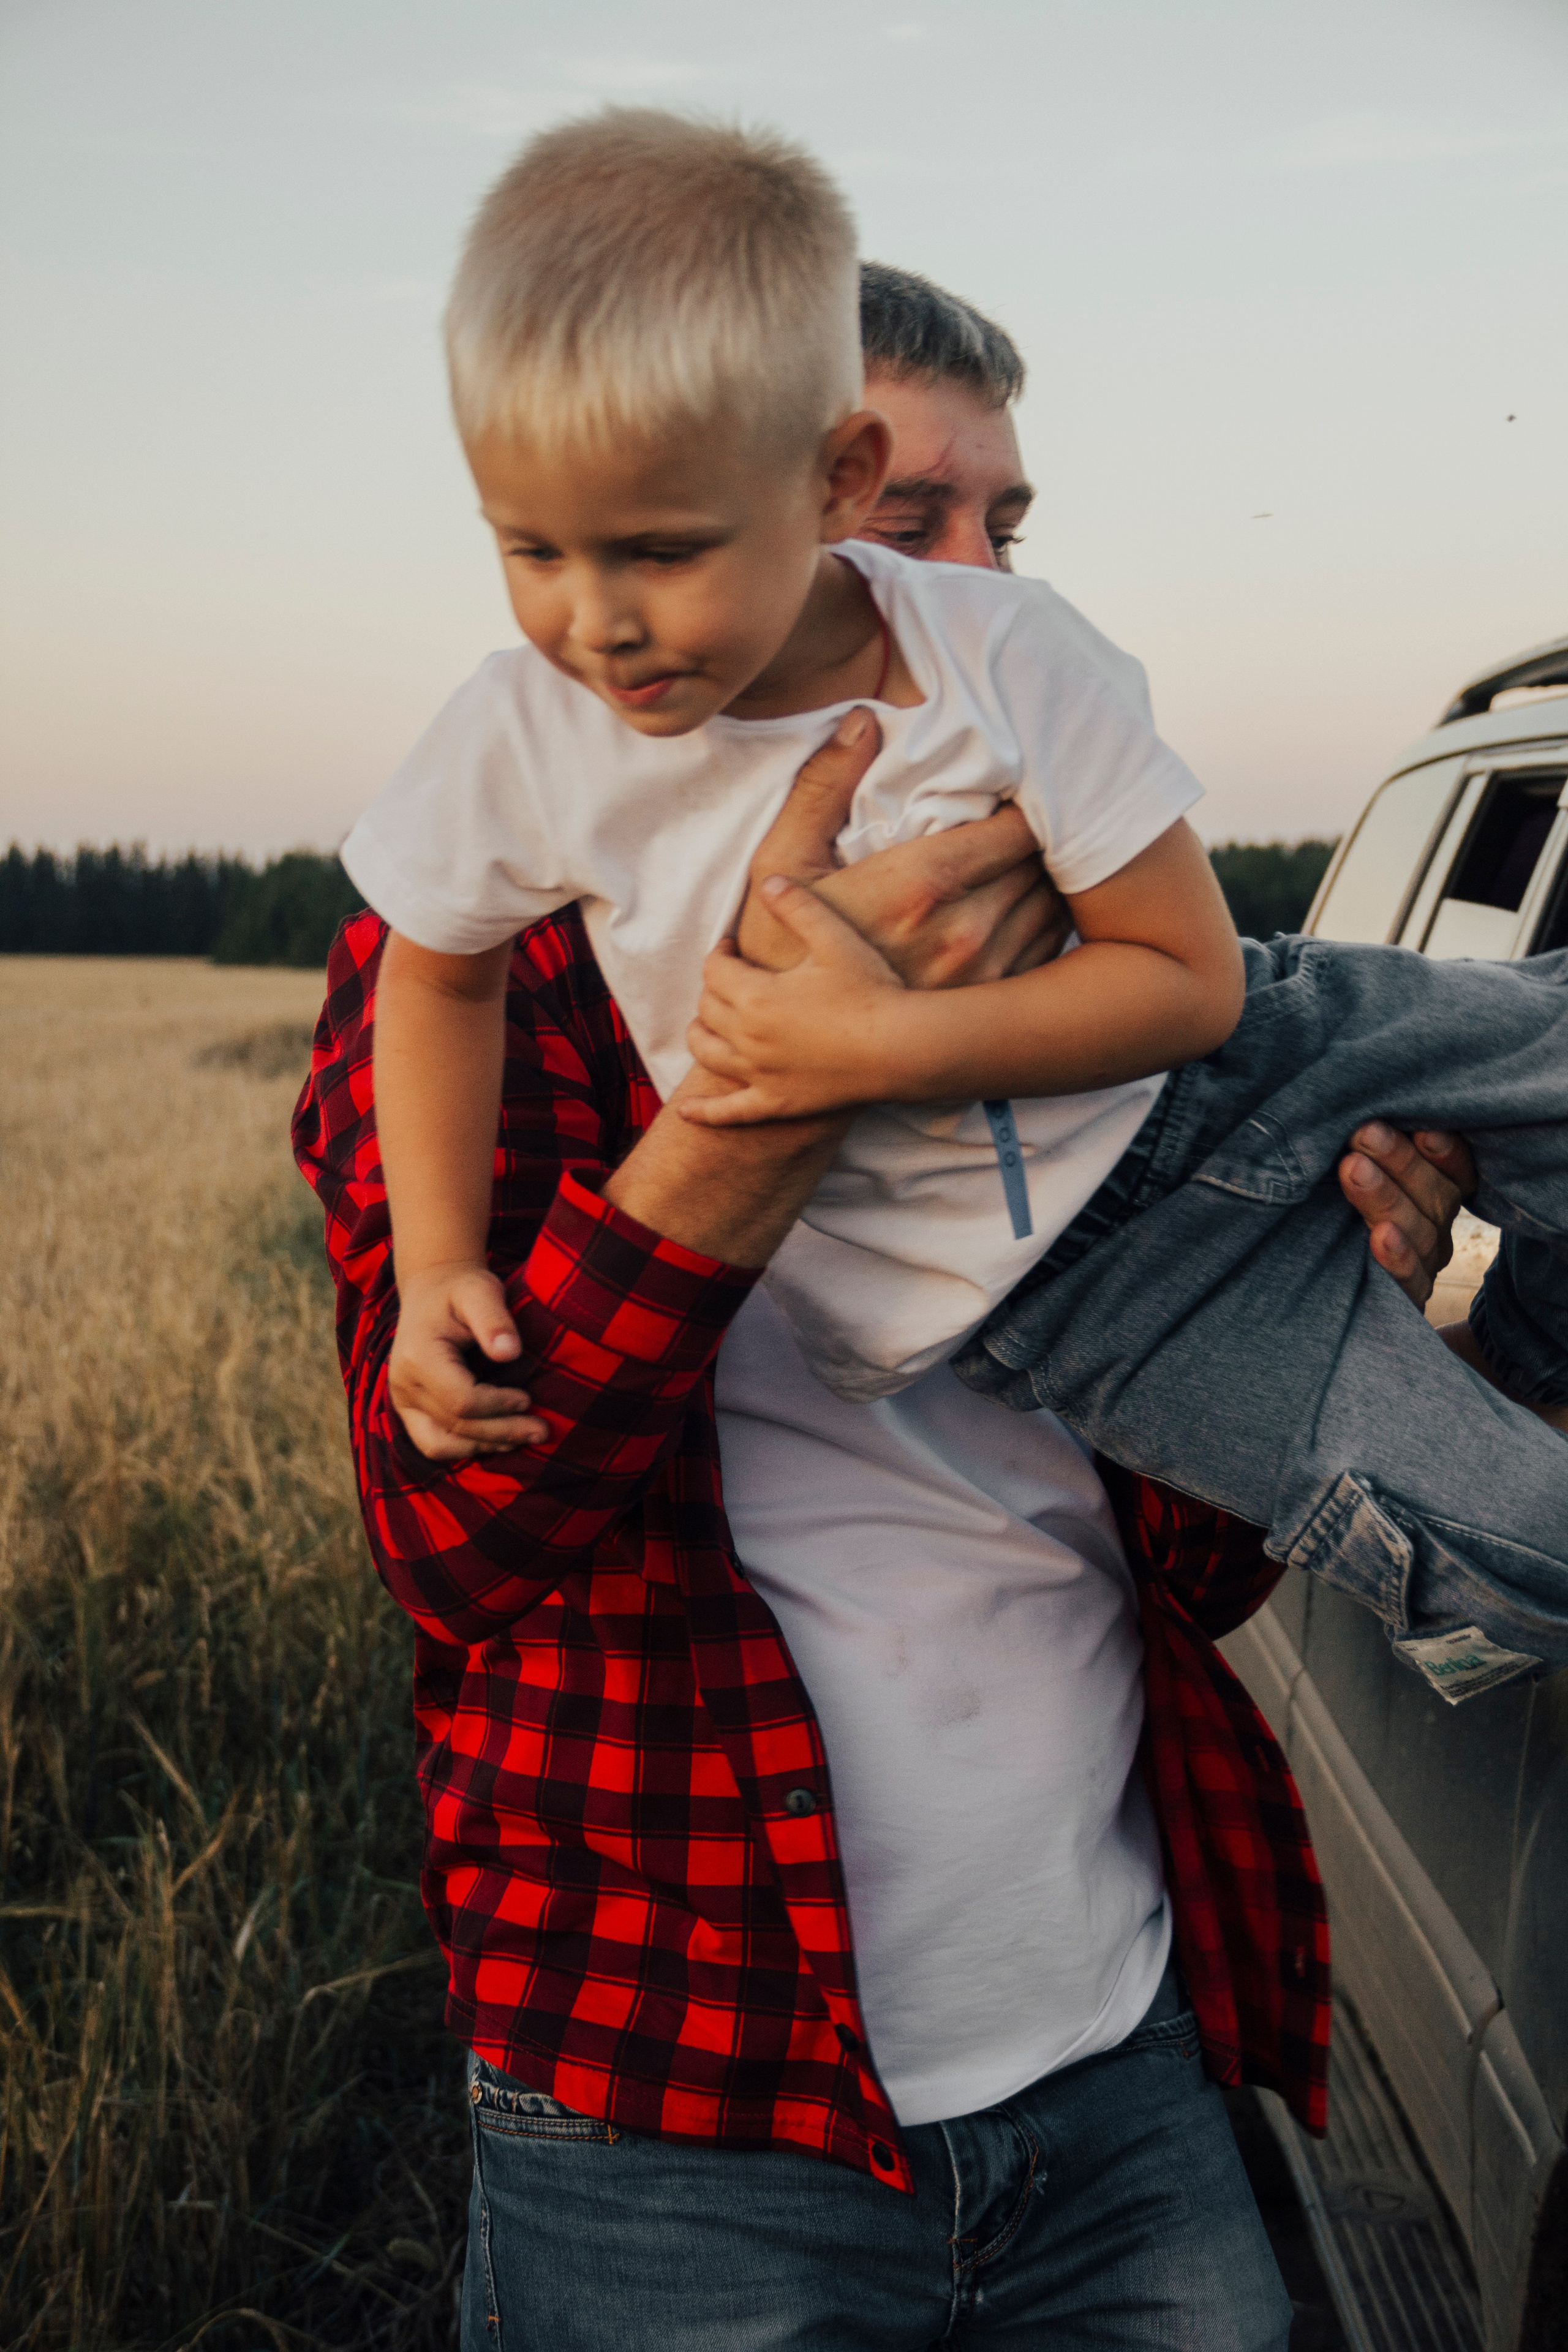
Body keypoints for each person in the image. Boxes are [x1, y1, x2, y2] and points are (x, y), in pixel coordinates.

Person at [293, 132, 1480, 2352]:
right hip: (683, 2115)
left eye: (1004, 531)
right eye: (910, 523)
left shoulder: (1051, 876)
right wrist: (778, 1075)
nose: (973, 587)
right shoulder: (514, 930)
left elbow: (1180, 1568)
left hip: (1118, 2044)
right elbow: (453, 1532)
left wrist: (1331, 1284)